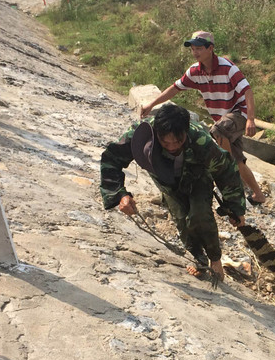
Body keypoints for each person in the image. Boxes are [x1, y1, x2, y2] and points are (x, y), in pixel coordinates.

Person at [100, 104, 246, 282]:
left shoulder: (201, 141)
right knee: (181, 219)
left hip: (197, 176)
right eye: (165, 142)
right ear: (156, 134)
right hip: (164, 177)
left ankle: (215, 259)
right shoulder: (140, 134)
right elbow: (111, 158)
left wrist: (235, 208)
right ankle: (200, 260)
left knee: (200, 214)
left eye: (177, 142)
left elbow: (226, 172)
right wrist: (120, 194)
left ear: (185, 133)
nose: (171, 147)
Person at [140, 30, 266, 205]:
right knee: (237, 160)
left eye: (199, 48)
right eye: (192, 49)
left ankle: (227, 177)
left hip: (239, 114)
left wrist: (251, 118)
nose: (195, 52)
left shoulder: (227, 67)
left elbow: (247, 91)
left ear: (210, 48)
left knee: (218, 132)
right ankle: (258, 194)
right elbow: (175, 88)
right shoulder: (194, 71)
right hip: (221, 119)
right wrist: (152, 104)